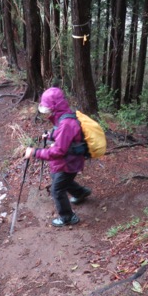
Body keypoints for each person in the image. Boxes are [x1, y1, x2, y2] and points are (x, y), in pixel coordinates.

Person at [24, 87, 92, 226]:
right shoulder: (63, 116)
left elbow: (58, 151)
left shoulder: (67, 123)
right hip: (67, 162)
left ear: (55, 106)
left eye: (47, 106)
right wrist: (49, 136)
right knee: (58, 179)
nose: (46, 110)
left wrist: (35, 152)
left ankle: (68, 217)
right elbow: (62, 135)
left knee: (57, 189)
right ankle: (80, 193)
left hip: (69, 163)